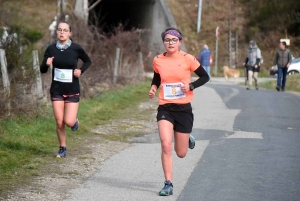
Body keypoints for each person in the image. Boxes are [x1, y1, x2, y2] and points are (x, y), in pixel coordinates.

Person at [149, 27, 209, 196]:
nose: (170, 43)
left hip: (183, 108)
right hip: (165, 107)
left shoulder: (187, 59)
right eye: (167, 40)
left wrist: (190, 86)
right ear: (163, 42)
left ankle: (185, 135)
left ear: (179, 42)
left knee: (181, 153)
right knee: (166, 144)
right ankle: (168, 183)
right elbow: (157, 76)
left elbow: (205, 76)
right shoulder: (158, 60)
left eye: (174, 40)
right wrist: (154, 88)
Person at [40, 21, 91, 158]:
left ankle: (74, 120)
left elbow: (88, 61)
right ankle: (62, 148)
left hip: (72, 89)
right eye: (59, 30)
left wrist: (80, 71)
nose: (62, 32)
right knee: (59, 121)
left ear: (70, 33)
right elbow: (42, 70)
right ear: (56, 32)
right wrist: (46, 64)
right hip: (56, 90)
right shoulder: (51, 49)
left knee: (68, 122)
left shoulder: (76, 48)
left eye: (65, 30)